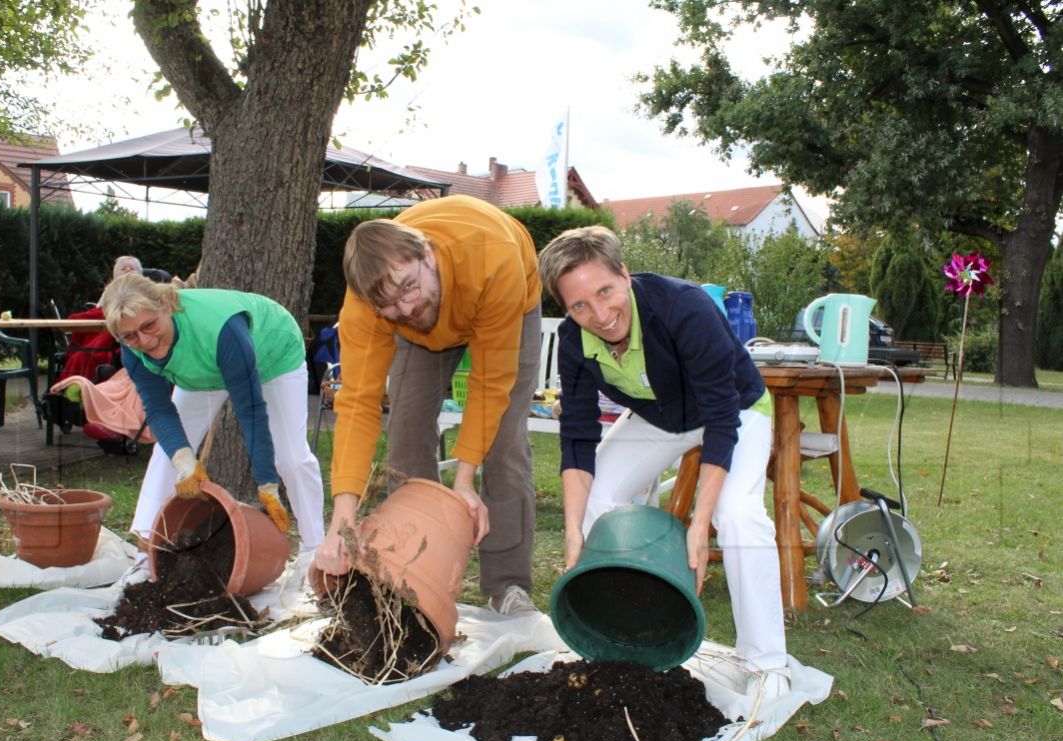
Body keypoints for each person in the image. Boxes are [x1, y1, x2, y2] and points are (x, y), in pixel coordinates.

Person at [537, 226, 789, 697]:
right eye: (579, 306)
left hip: (734, 410)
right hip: (660, 415)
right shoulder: (575, 342)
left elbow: (720, 419)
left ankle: (767, 662)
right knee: (594, 500)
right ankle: (616, 633)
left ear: (625, 276)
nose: (600, 314)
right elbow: (576, 438)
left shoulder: (685, 307)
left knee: (737, 514)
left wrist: (700, 523)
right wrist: (573, 532)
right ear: (565, 309)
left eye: (605, 291)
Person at [312, 195, 542, 616]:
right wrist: (341, 524)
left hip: (505, 301)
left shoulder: (493, 258)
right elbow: (358, 406)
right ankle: (408, 577)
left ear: (428, 255)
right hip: (420, 339)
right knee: (404, 438)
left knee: (503, 443)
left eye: (409, 287)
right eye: (390, 306)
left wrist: (465, 480)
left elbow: (490, 384)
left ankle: (508, 584)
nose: (407, 307)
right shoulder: (372, 302)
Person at [99, 273, 324, 555]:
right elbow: (158, 409)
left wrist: (267, 483)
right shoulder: (133, 348)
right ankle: (146, 554)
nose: (143, 340)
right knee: (168, 453)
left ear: (166, 305)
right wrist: (184, 462)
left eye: (150, 325)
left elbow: (251, 411)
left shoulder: (222, 329)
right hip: (203, 370)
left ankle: (314, 551)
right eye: (129, 335)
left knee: (291, 458)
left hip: (273, 355)